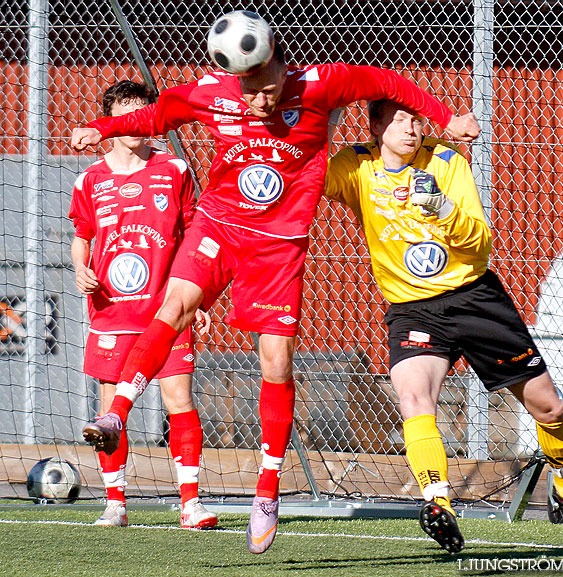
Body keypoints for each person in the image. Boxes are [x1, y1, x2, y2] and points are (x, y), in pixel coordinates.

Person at [69, 19, 480, 552]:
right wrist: (101, 129)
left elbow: (389, 83)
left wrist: (448, 119)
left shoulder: (322, 83)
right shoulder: (213, 91)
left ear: (279, 65)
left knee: (275, 362)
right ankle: (116, 412)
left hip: (278, 242)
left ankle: (268, 490)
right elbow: (159, 112)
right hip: (219, 223)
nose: (258, 101)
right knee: (173, 305)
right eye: (246, 90)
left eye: (264, 87)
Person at [325, 100, 563, 553]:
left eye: (416, 120)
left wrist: (440, 207)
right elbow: (306, 175)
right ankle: (437, 503)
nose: (411, 129)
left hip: (474, 297)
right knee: (412, 396)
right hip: (414, 309)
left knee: (548, 407)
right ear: (375, 127)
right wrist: (321, 114)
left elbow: (479, 239)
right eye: (399, 121)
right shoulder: (356, 165)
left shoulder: (445, 162)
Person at [69, 80, 218, 530]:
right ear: (112, 122)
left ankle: (190, 504)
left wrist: (200, 296)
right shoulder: (89, 179)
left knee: (179, 399)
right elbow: (82, 237)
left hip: (168, 308)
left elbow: (195, 234)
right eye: (126, 113)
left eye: (143, 112)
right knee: (110, 408)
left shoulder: (174, 169)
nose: (136, 123)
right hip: (112, 312)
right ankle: (115, 503)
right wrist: (79, 269)